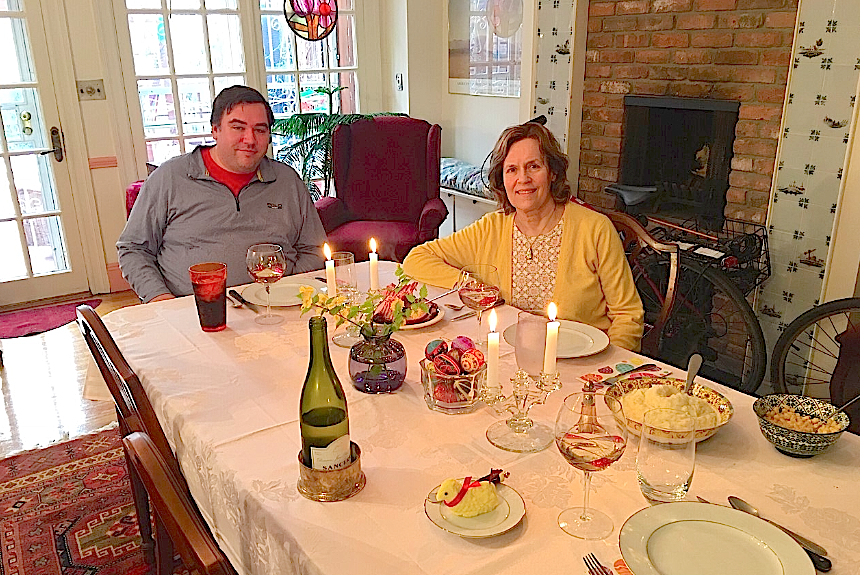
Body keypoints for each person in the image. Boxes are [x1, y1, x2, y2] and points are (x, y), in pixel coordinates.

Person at [403, 122, 644, 351]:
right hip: (510, 357)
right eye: (512, 169)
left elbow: (628, 315)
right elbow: (417, 259)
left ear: (552, 173)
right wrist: (470, 284)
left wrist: (606, 371)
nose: (523, 179)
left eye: (534, 166)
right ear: (503, 179)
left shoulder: (594, 229)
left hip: (582, 363)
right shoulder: (490, 228)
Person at [117, 85, 326, 303]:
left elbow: (313, 250)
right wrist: (160, 299)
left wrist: (286, 290)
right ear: (215, 130)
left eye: (260, 130)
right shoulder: (169, 177)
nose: (250, 139)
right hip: (191, 313)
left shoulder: (287, 181)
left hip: (276, 308)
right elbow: (133, 248)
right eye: (238, 128)